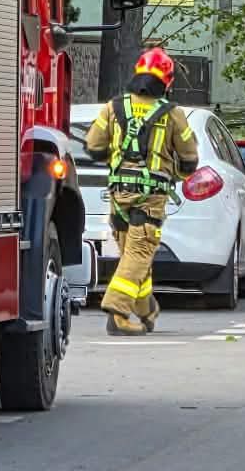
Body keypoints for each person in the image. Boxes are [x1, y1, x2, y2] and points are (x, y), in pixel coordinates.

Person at [83, 47, 198, 335]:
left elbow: (93, 146)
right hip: (151, 198)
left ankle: (146, 309)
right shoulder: (174, 115)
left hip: (118, 195)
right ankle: (117, 310)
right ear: (167, 82)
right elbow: (190, 159)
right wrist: (175, 173)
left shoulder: (113, 107)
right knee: (139, 253)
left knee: (132, 256)